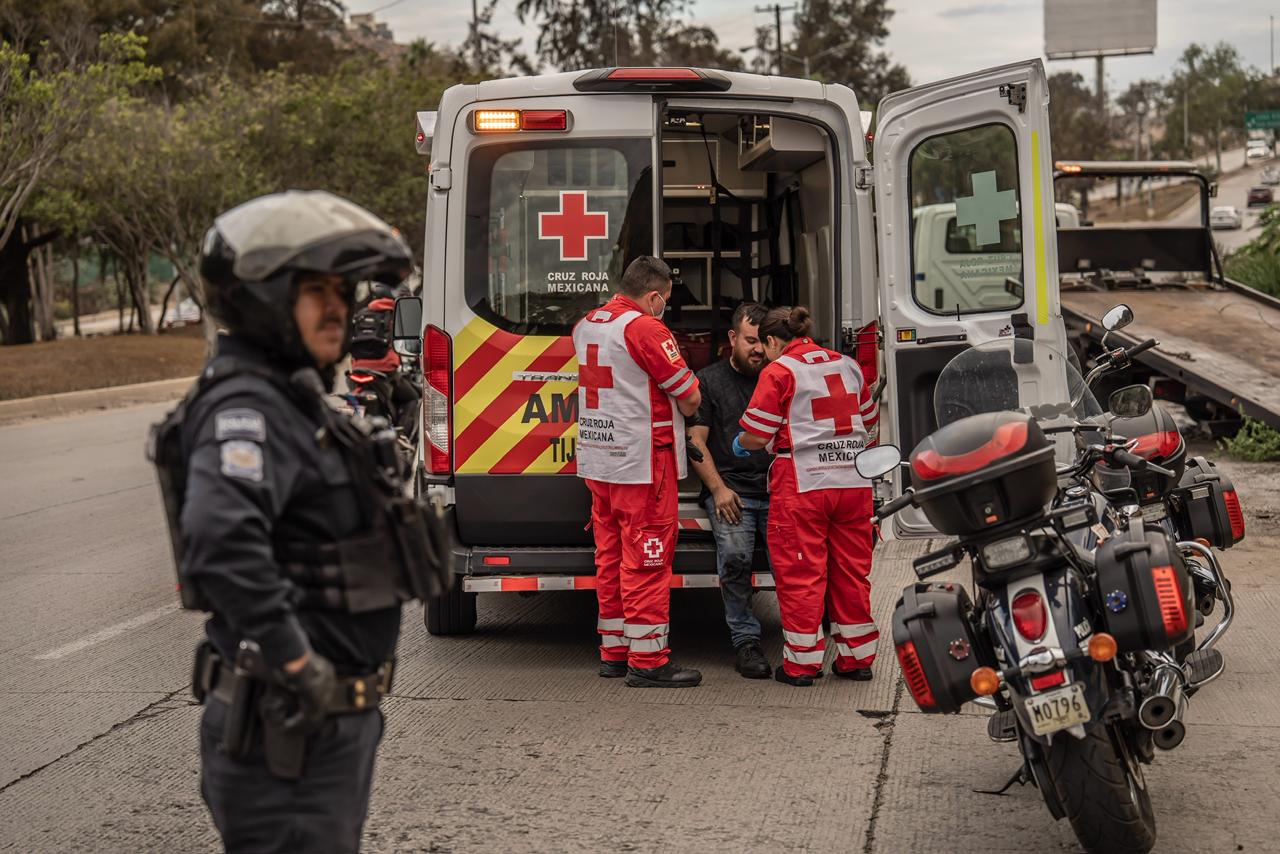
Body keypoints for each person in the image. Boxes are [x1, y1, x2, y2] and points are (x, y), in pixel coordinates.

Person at [149, 190, 447, 852]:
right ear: (264, 299)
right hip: (290, 729)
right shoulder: (248, 407)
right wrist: (297, 665)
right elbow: (224, 545)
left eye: (342, 291)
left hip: (324, 730)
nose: (337, 307)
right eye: (316, 292)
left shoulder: (295, 399)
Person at [573, 255, 703, 688]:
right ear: (652, 296)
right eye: (664, 299)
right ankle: (648, 662)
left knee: (609, 557)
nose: (663, 306)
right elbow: (688, 396)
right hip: (641, 464)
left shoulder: (589, 322)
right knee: (646, 559)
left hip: (599, 460)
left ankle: (614, 651)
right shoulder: (645, 328)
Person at [734, 306, 879, 687]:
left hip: (804, 485)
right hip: (853, 482)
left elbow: (755, 435)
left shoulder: (780, 371)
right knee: (851, 572)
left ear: (770, 340)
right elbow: (869, 422)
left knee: (802, 575)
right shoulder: (847, 365)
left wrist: (744, 444)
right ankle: (857, 659)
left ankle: (801, 665)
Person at [687, 302, 773, 678]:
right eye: (751, 340)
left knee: (797, 563)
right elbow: (695, 442)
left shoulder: (781, 376)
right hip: (732, 490)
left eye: (764, 342)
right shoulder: (708, 381)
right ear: (733, 338)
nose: (758, 349)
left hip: (778, 490)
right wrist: (719, 490)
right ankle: (746, 643)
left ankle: (808, 637)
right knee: (736, 558)